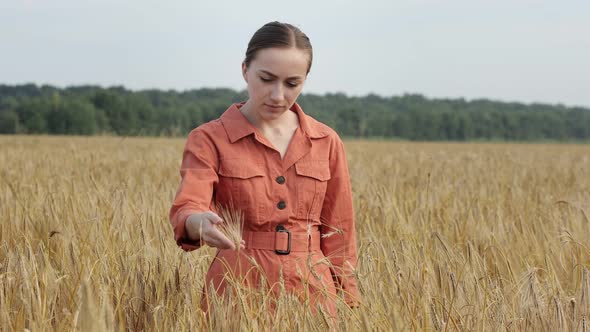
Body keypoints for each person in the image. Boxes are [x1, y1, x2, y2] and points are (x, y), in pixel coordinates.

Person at [169, 21, 361, 319]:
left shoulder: (326, 141)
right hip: (236, 289)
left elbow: (340, 233)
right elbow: (188, 204)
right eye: (266, 79)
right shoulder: (209, 139)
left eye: (291, 83)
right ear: (245, 70)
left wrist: (349, 301)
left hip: (314, 292)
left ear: (305, 80)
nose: (277, 95)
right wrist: (198, 223)